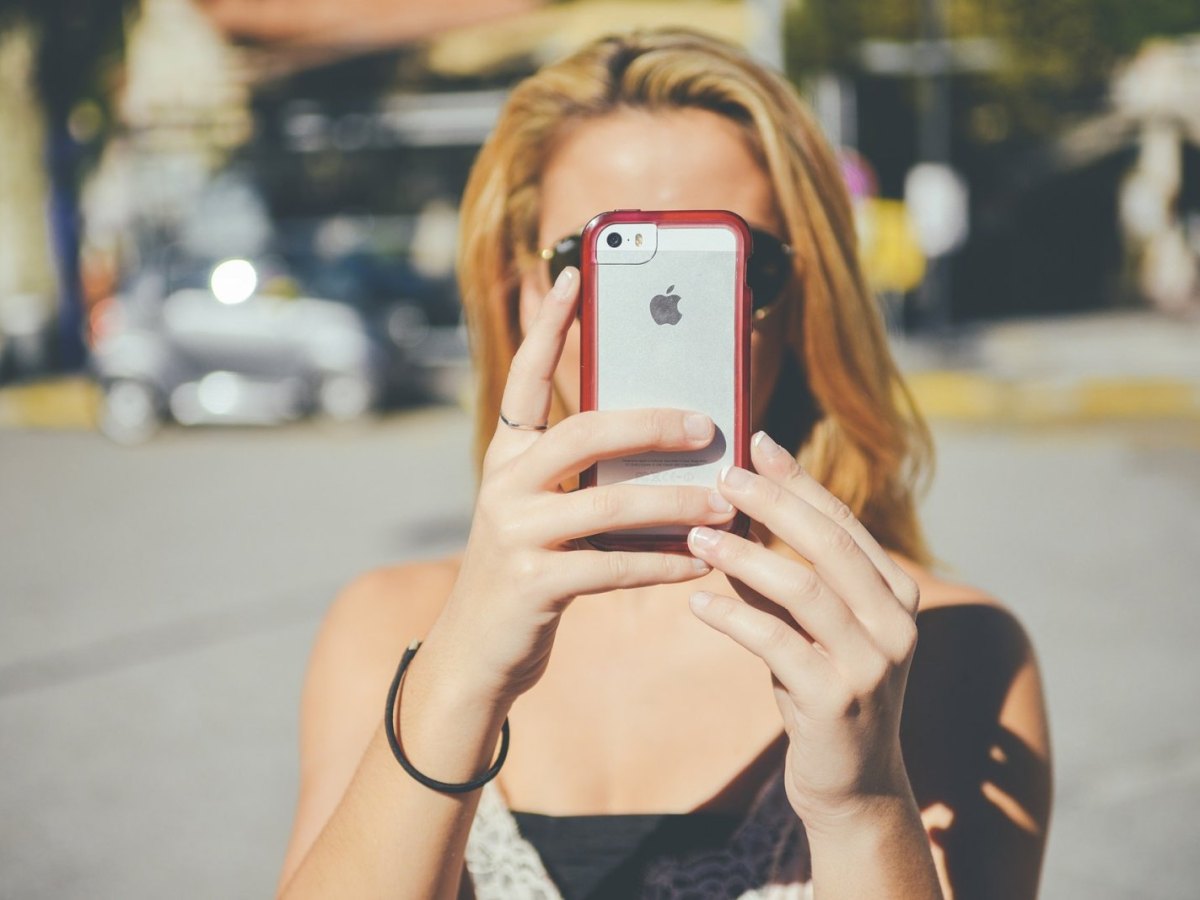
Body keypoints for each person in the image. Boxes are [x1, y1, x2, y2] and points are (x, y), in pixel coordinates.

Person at [276, 29, 1052, 900]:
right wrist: (457, 680)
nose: (666, 320)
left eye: (731, 266)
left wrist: (863, 805)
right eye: (597, 261)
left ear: (803, 301)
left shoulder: (933, 648)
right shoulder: (389, 629)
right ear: (524, 292)